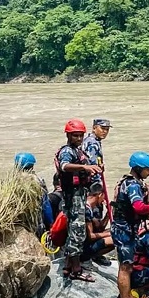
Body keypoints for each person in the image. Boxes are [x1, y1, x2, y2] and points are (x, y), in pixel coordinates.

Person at [111, 151, 149, 298]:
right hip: (124, 231)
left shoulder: (130, 182)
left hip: (126, 229)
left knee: (128, 267)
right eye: (148, 170)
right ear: (138, 168)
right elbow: (138, 206)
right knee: (125, 267)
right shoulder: (133, 185)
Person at [55, 119, 101, 282]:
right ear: (68, 135)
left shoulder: (78, 150)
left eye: (81, 135)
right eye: (75, 135)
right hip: (73, 197)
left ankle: (68, 265)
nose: (79, 138)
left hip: (80, 193)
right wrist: (84, 168)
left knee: (74, 230)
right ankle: (76, 269)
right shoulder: (67, 151)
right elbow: (64, 166)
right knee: (77, 232)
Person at [14, 152, 54, 230]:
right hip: (36, 222)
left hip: (19, 222)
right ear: (32, 166)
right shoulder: (38, 181)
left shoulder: (12, 182)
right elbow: (45, 204)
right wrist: (51, 222)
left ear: (16, 165)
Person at [80, 182, 115, 265]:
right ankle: (91, 256)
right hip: (82, 249)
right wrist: (110, 234)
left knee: (115, 231)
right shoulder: (87, 210)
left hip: (86, 243)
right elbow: (91, 236)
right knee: (116, 239)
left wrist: (108, 213)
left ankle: (94, 256)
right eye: (103, 197)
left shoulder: (88, 206)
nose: (104, 200)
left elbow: (100, 228)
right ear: (99, 195)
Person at [82, 119, 112, 214]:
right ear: (94, 128)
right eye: (102, 128)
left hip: (86, 182)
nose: (105, 132)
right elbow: (93, 167)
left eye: (107, 129)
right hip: (92, 184)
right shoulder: (93, 143)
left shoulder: (90, 140)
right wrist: (99, 188)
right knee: (94, 212)